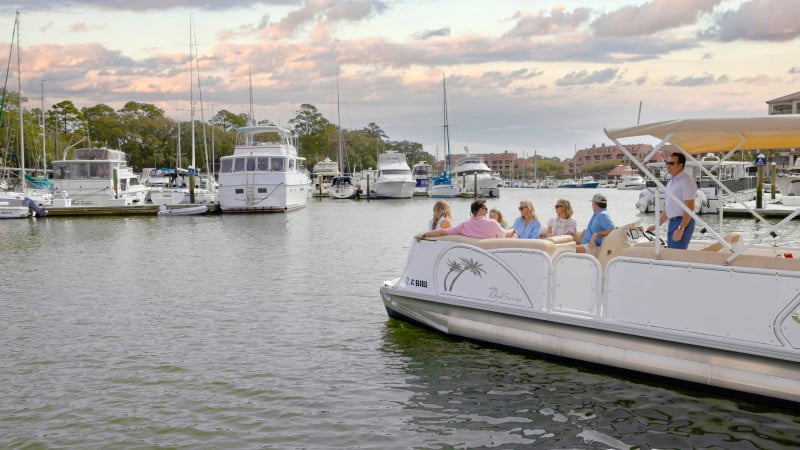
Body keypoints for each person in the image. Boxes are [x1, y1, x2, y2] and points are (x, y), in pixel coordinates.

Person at [646, 152, 696, 249]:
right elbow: (668, 208)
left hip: (682, 222)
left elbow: (690, 207)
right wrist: (656, 226)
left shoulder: (686, 180)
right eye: (667, 163)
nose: (668, 166)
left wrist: (681, 228)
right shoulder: (671, 182)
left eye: (672, 163)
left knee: (675, 255)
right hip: (672, 222)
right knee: (671, 252)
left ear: (680, 165)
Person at [416, 199, 513, 240]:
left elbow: (443, 232)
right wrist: (513, 230)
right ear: (481, 210)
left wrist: (424, 234)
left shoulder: (464, 225)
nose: (487, 211)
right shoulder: (493, 223)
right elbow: (504, 235)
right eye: (486, 209)